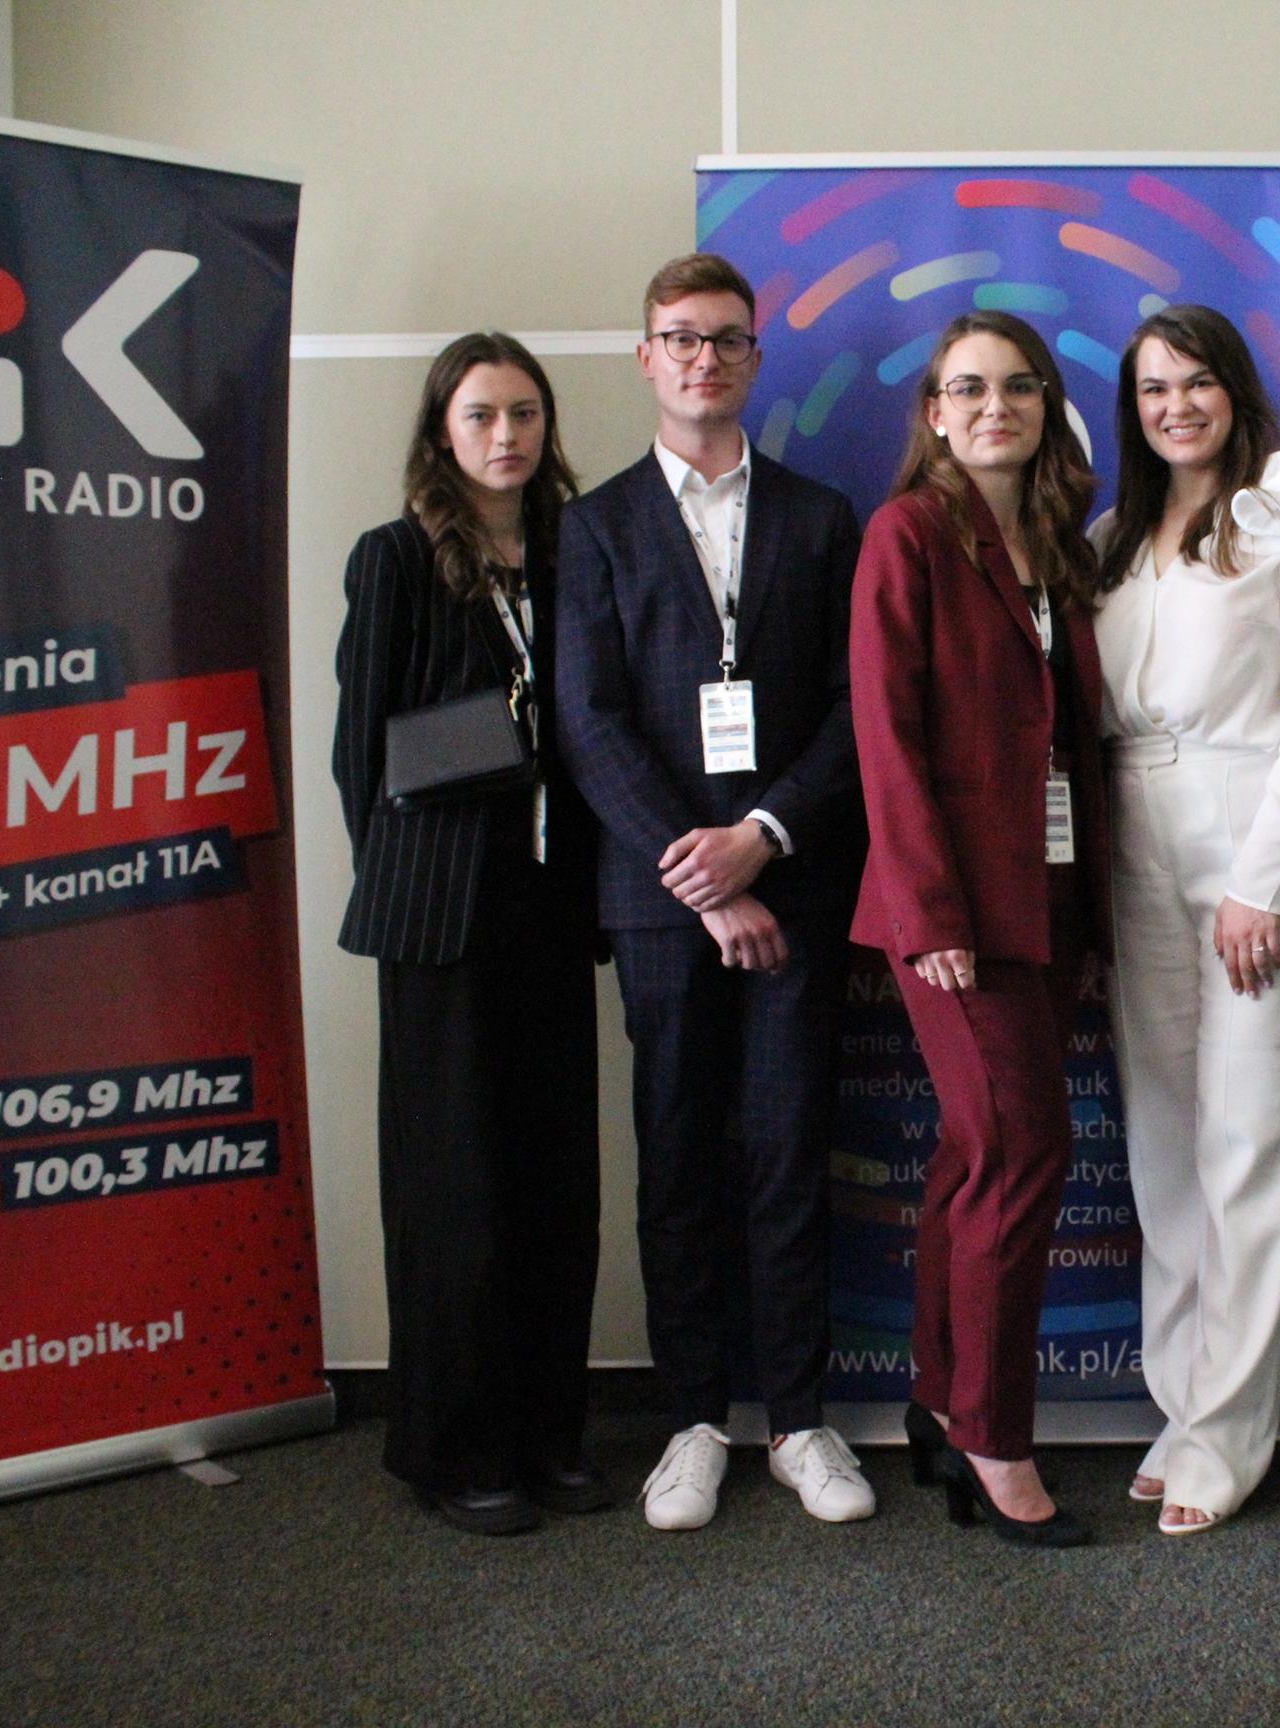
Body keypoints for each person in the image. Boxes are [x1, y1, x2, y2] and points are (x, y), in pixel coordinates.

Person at [554, 253, 873, 1533]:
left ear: (755, 358)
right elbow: (589, 722)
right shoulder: (594, 526)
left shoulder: (821, 518)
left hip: (791, 885)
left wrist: (762, 839)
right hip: (659, 902)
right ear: (647, 357)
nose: (703, 358)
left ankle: (797, 1418)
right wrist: (701, 877)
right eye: (680, 338)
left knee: (790, 1149)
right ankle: (693, 1418)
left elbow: (854, 710)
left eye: (727, 338)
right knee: (678, 1153)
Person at [1090, 306, 1280, 1535]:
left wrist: (1267, 879)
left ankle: (1231, 1434)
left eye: (1197, 382)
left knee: (1247, 1142)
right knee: (1164, 1148)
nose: (1176, 406)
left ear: (1236, 391)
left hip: (1255, 836)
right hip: (1134, 838)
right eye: (1154, 388)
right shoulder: (1111, 540)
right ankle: (1183, 1402)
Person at [331, 332, 605, 1536]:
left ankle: (548, 1432)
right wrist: (411, 880)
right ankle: (453, 1448)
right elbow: (361, 752)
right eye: (483, 414)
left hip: (553, 904)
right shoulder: (396, 558)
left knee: (553, 1180)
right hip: (444, 917)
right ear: (443, 430)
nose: (507, 435)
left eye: (526, 413)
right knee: (458, 1189)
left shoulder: (577, 552)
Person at [849, 310, 1113, 1549]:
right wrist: (930, 912)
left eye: (1017, 386)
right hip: (954, 911)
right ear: (935, 415)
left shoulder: (1057, 544)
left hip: (1048, 900)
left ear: (1047, 406)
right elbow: (887, 738)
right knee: (1021, 1154)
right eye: (967, 389)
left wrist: (1090, 911)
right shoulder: (908, 534)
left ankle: (937, 1399)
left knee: (972, 1155)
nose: (993, 406)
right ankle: (995, 1440)